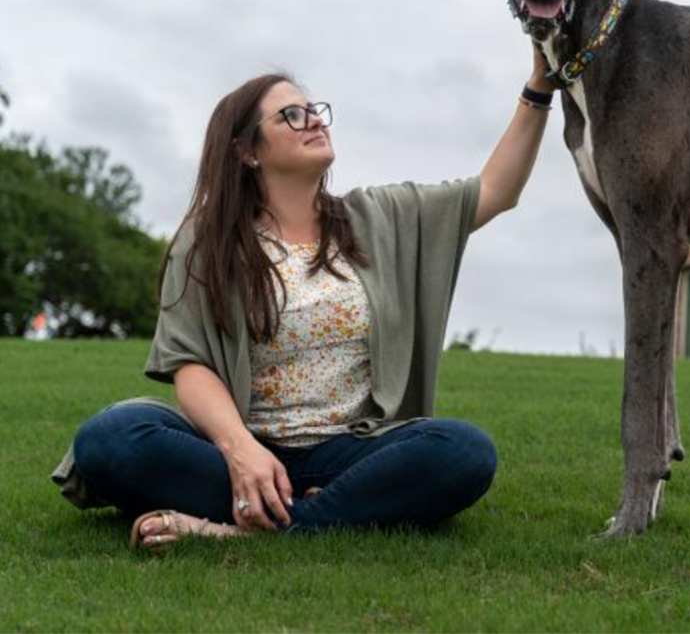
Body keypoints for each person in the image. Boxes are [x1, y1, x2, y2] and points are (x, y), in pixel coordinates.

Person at [55, 45, 556, 549]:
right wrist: (241, 451)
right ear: (247, 151)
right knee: (109, 438)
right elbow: (190, 364)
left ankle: (244, 529)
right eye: (290, 116)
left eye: (313, 110)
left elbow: (496, 190)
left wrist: (540, 85)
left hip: (352, 451)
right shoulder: (206, 240)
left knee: (463, 451)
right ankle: (312, 507)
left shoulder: (380, 217)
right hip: (239, 448)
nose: (313, 120)